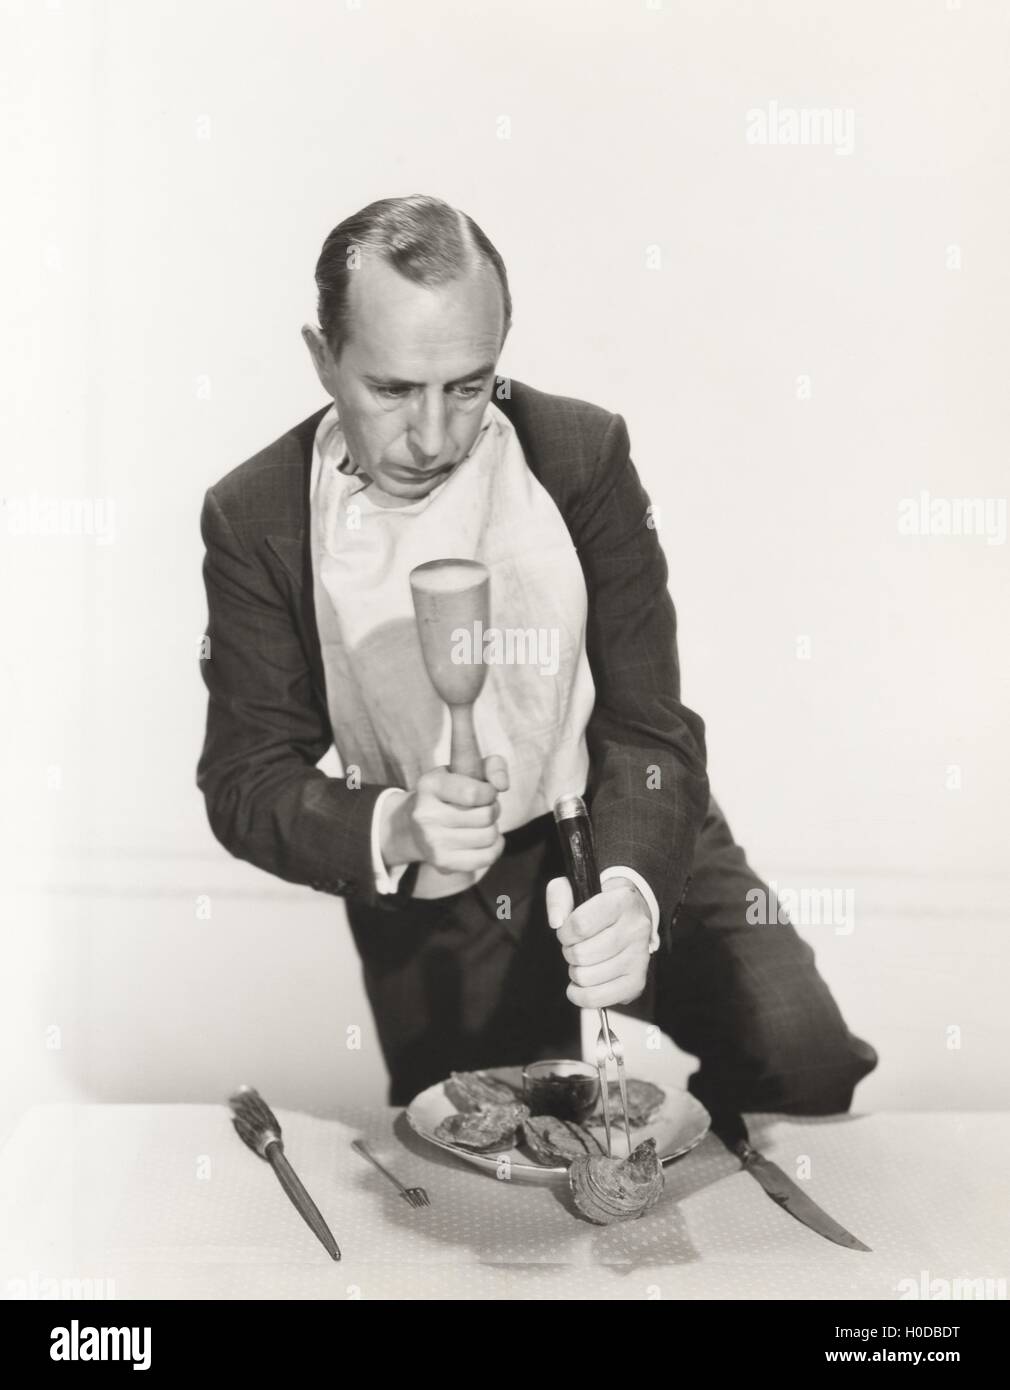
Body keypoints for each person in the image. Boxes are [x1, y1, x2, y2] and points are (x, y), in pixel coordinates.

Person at [196, 194, 877, 1112]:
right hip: (443, 887)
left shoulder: (580, 453)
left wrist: (635, 891)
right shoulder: (258, 515)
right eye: (392, 389)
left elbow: (650, 726)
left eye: (468, 387)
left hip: (613, 810)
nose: (434, 438)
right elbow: (246, 780)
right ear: (323, 359)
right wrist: (395, 827)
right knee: (498, 1153)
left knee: (806, 1060)